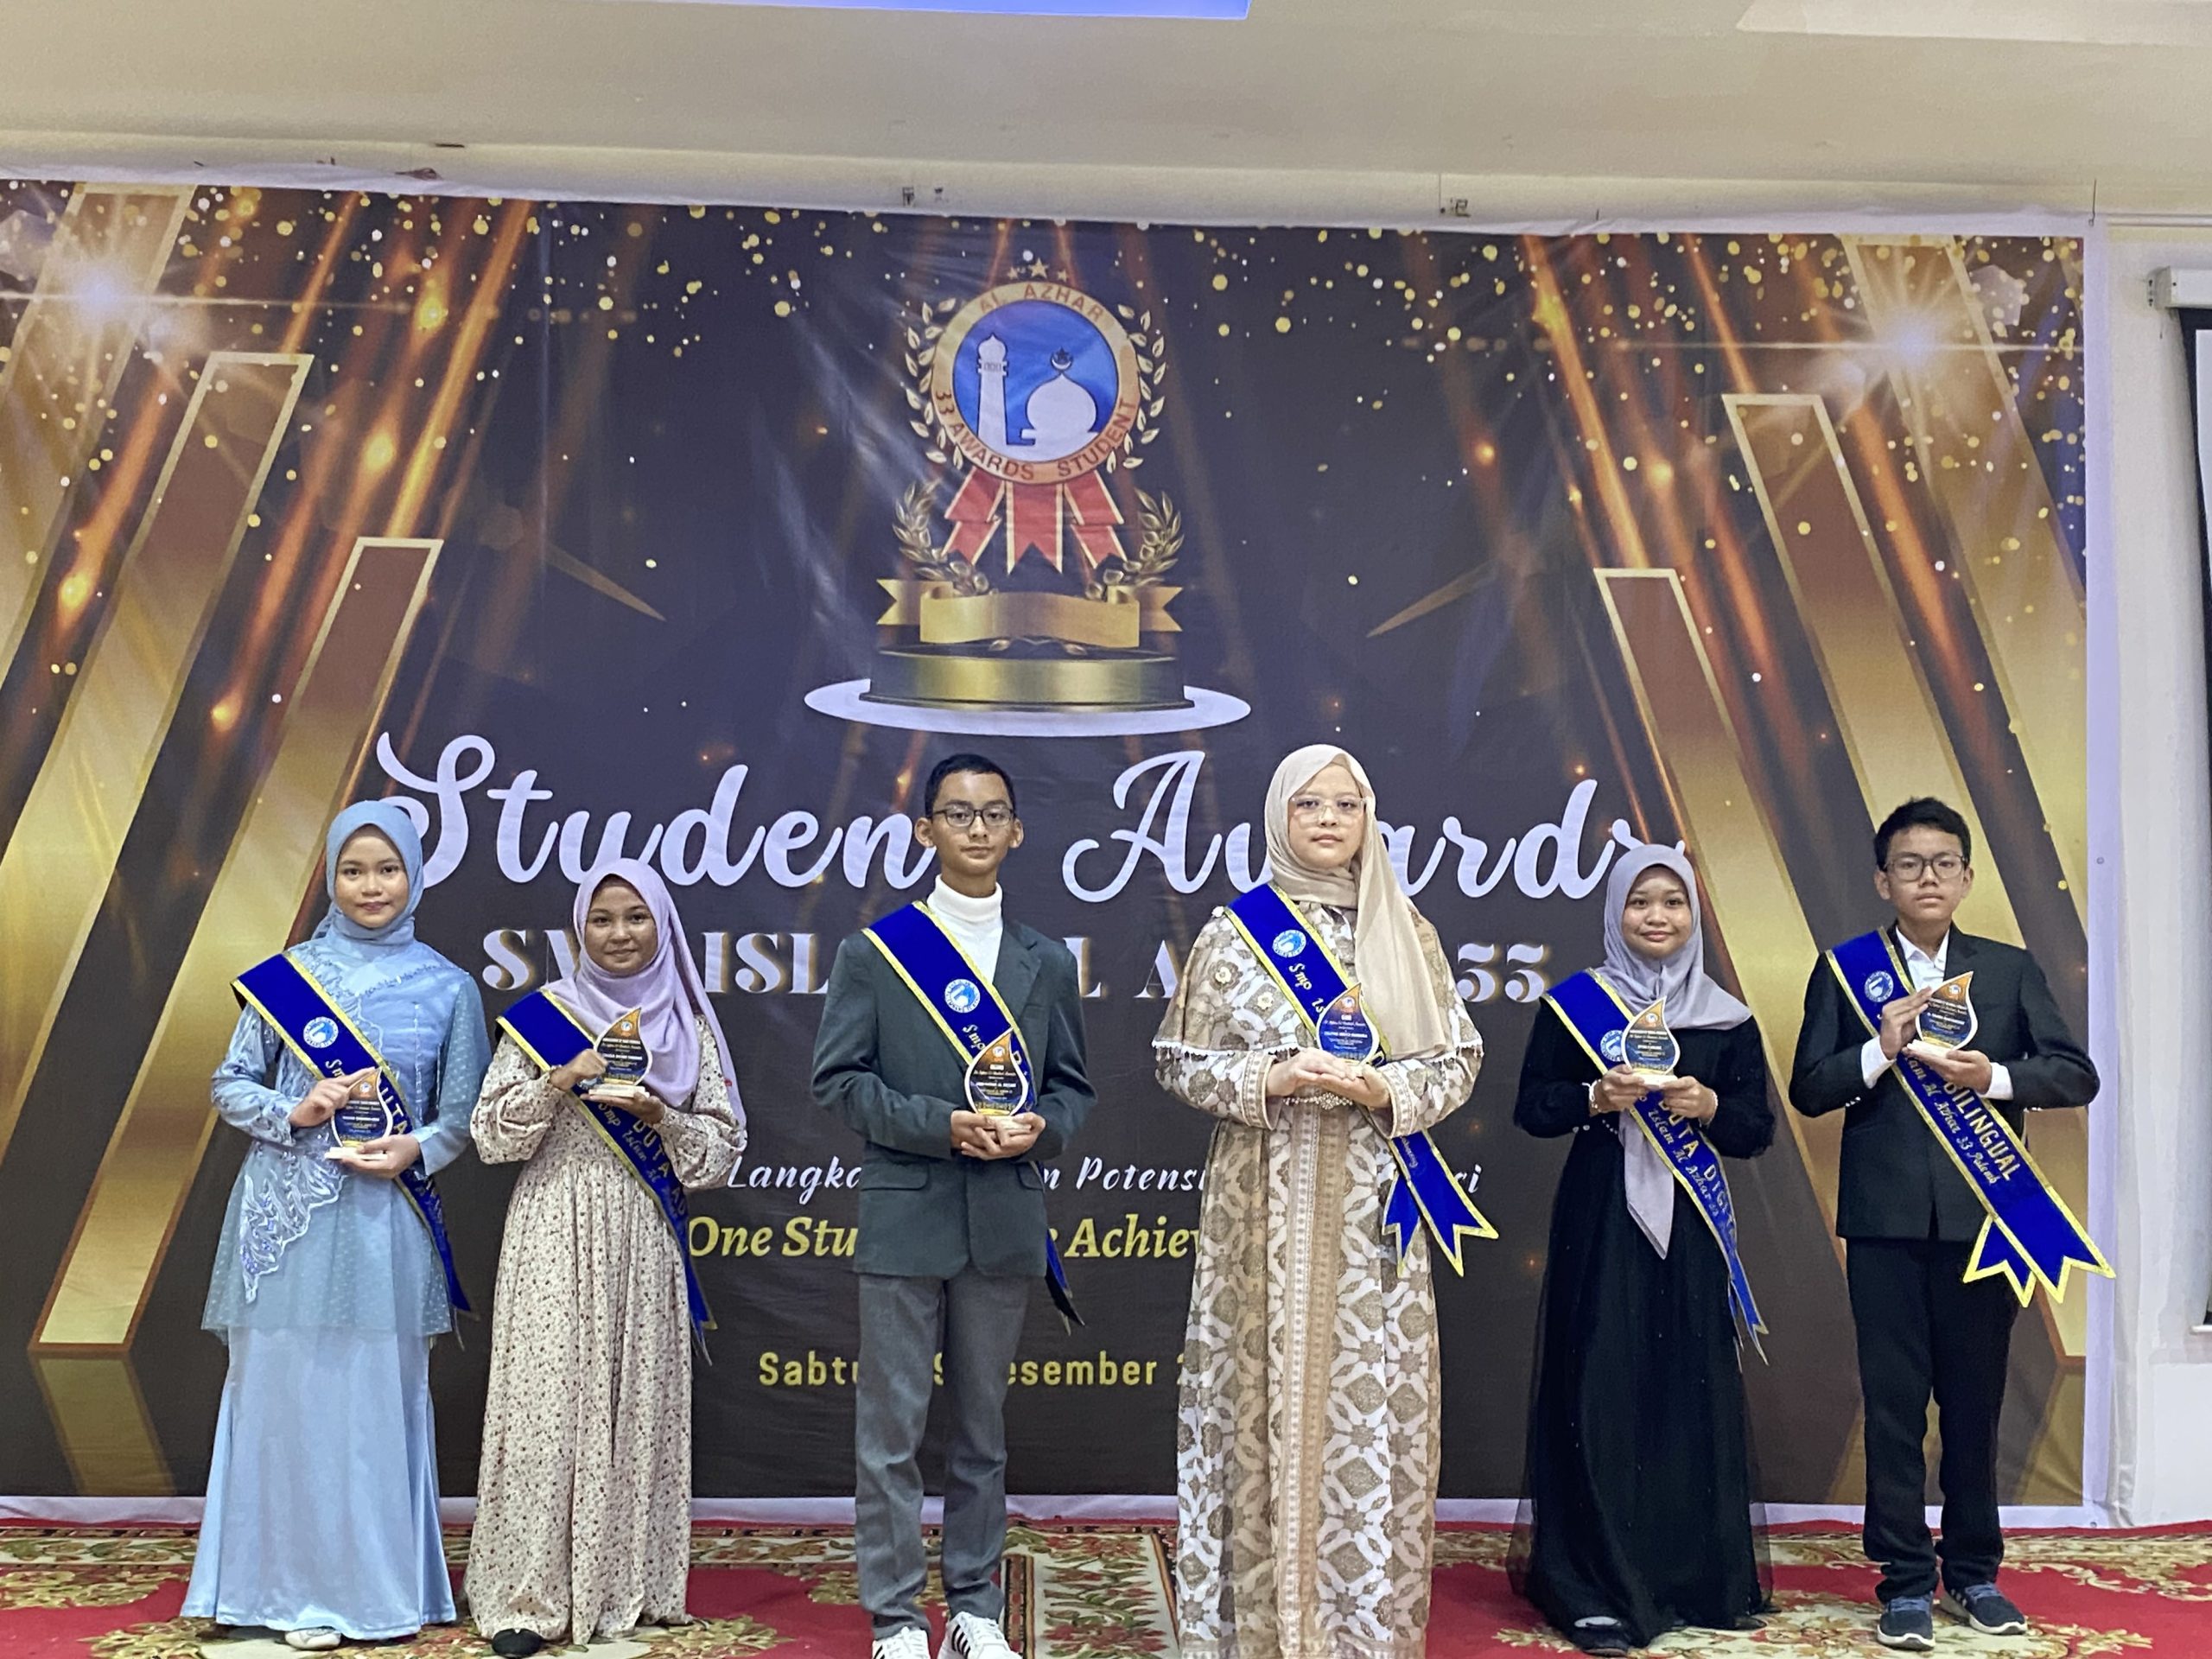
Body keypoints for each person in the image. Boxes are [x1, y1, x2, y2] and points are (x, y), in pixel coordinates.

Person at [1154, 745, 1484, 1659]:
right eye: (1309, 805)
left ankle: (1357, 1632)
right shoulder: (1235, 933)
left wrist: (1385, 1090)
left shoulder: (1405, 930)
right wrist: (1271, 1075)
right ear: (1279, 819)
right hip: (1257, 1204)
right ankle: (1255, 1632)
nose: (1330, 820)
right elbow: (1176, 1059)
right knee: (1250, 1405)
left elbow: (1456, 1058)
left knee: (1367, 1418)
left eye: (1347, 804)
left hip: (1375, 1207)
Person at [1789, 798, 2099, 1652]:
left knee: (1973, 1405)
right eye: (1909, 864)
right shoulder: (1846, 970)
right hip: (1883, 1224)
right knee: (1893, 1408)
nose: (1926, 878)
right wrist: (1877, 1049)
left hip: (1984, 1222)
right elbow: (1809, 1088)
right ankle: (1901, 1581)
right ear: (1881, 879)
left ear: (1965, 877)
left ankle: (1972, 1572)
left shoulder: (2008, 969)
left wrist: (1991, 1078)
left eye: (1942, 864)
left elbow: (2073, 1074)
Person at [182, 801, 488, 1651]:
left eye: (387, 869)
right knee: (279, 1400)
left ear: (415, 875)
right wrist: (297, 1109)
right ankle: (268, 1592)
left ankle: (371, 1596)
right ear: (329, 876)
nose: (370, 886)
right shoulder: (286, 979)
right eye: (353, 870)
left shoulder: (449, 987)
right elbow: (230, 1083)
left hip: (385, 1222)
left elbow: (463, 1114)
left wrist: (414, 1150)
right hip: (283, 1221)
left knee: (368, 1405)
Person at [810, 753, 1094, 1659]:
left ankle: (974, 1607)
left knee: (981, 1435)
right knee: (890, 1435)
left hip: (1004, 1219)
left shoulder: (1047, 961)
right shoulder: (875, 953)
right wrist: (942, 1125)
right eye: (958, 814)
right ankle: (896, 1618)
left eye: (993, 813)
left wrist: (1039, 1132)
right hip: (906, 1217)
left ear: (1017, 831)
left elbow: (1071, 1090)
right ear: (925, 829)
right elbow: (839, 1082)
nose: (977, 829)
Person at [466, 860, 747, 1656]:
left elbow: (721, 1151)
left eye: (636, 917)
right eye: (602, 919)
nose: (619, 934)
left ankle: (625, 1584)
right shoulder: (544, 1016)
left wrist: (663, 1117)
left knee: (634, 1402)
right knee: (544, 1408)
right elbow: (490, 1137)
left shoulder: (687, 1027)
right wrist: (560, 1079)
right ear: (578, 929)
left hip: (643, 1233)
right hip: (554, 1225)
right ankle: (527, 1600)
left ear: (663, 926)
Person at [1510, 844, 1773, 1655]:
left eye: (1673, 902)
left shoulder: (1727, 1018)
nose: (1657, 917)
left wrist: (1709, 1104)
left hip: (1690, 1230)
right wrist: (1594, 1095)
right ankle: (1588, 1583)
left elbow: (1755, 1129)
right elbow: (1533, 1109)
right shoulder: (1575, 1007)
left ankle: (1690, 1579)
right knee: (1598, 1382)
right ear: (1615, 912)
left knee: (1685, 1389)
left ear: (1694, 914)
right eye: (1640, 902)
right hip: (1601, 1218)